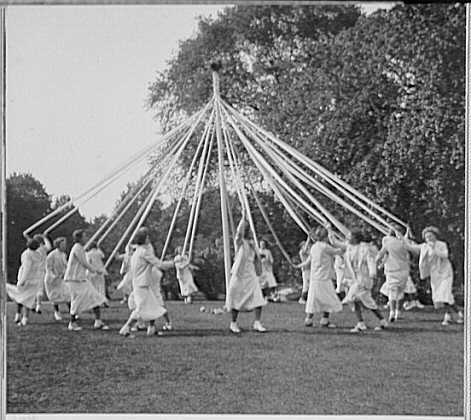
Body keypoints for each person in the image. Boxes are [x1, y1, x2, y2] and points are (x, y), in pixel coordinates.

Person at [402, 226, 464, 325]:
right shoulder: (424, 246)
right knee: (440, 296)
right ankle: (458, 314)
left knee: (445, 294)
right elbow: (410, 247)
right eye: (426, 237)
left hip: (445, 273)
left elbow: (445, 255)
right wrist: (403, 237)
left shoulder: (441, 244)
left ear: (435, 236)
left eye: (430, 236)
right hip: (435, 274)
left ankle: (448, 317)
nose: (429, 238)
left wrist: (434, 248)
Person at [119, 227, 174, 337]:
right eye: (147, 237)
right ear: (143, 240)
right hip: (141, 285)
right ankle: (126, 328)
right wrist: (174, 263)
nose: (149, 238)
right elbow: (159, 264)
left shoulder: (137, 252)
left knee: (153, 306)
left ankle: (151, 329)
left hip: (141, 284)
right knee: (141, 309)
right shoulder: (144, 252)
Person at [340, 230, 388, 332]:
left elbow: (370, 260)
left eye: (349, 236)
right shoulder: (349, 248)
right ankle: (367, 322)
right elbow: (335, 243)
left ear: (356, 238)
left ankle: (365, 322)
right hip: (355, 278)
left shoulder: (365, 249)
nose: (347, 237)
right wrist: (329, 230)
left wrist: (372, 272)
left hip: (364, 278)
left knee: (352, 298)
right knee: (360, 300)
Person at [226, 214, 267, 334]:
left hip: (250, 274)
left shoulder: (252, 244)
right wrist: (243, 219)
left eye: (249, 229)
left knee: (258, 297)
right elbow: (238, 234)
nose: (248, 231)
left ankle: (257, 322)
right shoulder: (239, 242)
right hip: (239, 274)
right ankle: (233, 323)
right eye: (247, 229)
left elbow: (256, 259)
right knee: (236, 296)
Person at [298, 225, 343, 328]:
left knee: (313, 299)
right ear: (325, 237)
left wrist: (298, 265)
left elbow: (308, 261)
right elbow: (337, 251)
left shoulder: (314, 247)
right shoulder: (325, 247)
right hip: (324, 278)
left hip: (315, 278)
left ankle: (309, 319)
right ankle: (324, 319)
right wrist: (347, 247)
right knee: (329, 297)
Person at [64, 229, 109, 331]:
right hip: (74, 279)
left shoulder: (80, 248)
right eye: (84, 236)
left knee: (95, 296)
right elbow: (84, 263)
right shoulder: (77, 248)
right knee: (77, 300)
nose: (86, 238)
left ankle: (98, 321)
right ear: (79, 238)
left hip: (80, 279)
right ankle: (72, 323)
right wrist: (96, 270)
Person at [376, 223, 411, 322]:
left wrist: (375, 263)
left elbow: (381, 254)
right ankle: (397, 312)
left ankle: (392, 312)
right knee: (400, 291)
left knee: (392, 291)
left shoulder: (387, 241)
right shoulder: (405, 242)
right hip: (404, 270)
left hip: (392, 270)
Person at [6, 238, 42, 326]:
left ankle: (20, 316)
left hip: (27, 279)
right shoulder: (38, 254)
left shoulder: (27, 254)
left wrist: (22, 280)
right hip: (34, 280)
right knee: (27, 299)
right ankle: (23, 317)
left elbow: (27, 268)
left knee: (22, 297)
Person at [24, 233, 52, 314]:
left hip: (32, 272)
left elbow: (30, 242)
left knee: (32, 289)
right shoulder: (43, 249)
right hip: (41, 271)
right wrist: (45, 237)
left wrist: (27, 236)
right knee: (39, 290)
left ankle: (32, 305)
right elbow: (49, 246)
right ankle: (38, 306)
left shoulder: (33, 250)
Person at [44, 237, 71, 321]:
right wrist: (54, 276)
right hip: (52, 280)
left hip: (61, 279)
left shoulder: (63, 254)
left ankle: (72, 312)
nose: (65, 246)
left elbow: (65, 266)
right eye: (63, 245)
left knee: (68, 294)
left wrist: (66, 274)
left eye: (65, 245)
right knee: (55, 297)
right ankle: (57, 312)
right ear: (58, 245)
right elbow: (48, 267)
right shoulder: (52, 255)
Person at [298, 238, 310, 304]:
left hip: (310, 269)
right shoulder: (301, 252)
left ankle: (306, 298)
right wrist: (309, 238)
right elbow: (305, 249)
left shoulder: (308, 251)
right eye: (304, 245)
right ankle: (302, 298)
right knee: (306, 285)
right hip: (305, 270)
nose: (307, 246)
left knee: (310, 285)